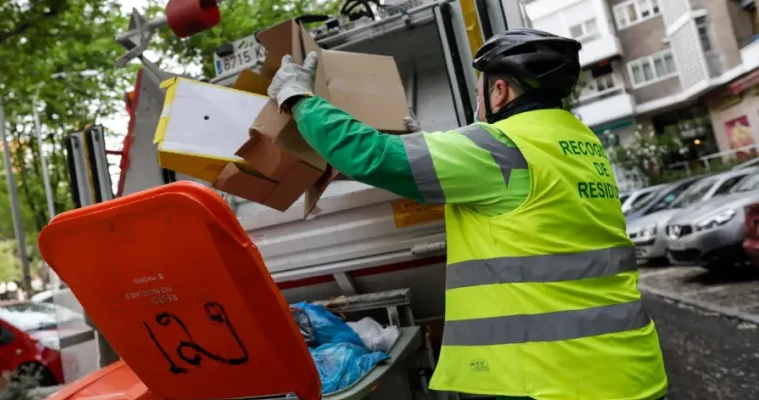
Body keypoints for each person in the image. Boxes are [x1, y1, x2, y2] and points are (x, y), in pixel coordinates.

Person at [267, 28, 668, 400]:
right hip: (631, 370)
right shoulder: (580, 143)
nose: (478, 106)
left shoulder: (503, 146)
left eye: (479, 95)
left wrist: (299, 100)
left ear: (499, 92)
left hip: (556, 381)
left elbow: (369, 156)